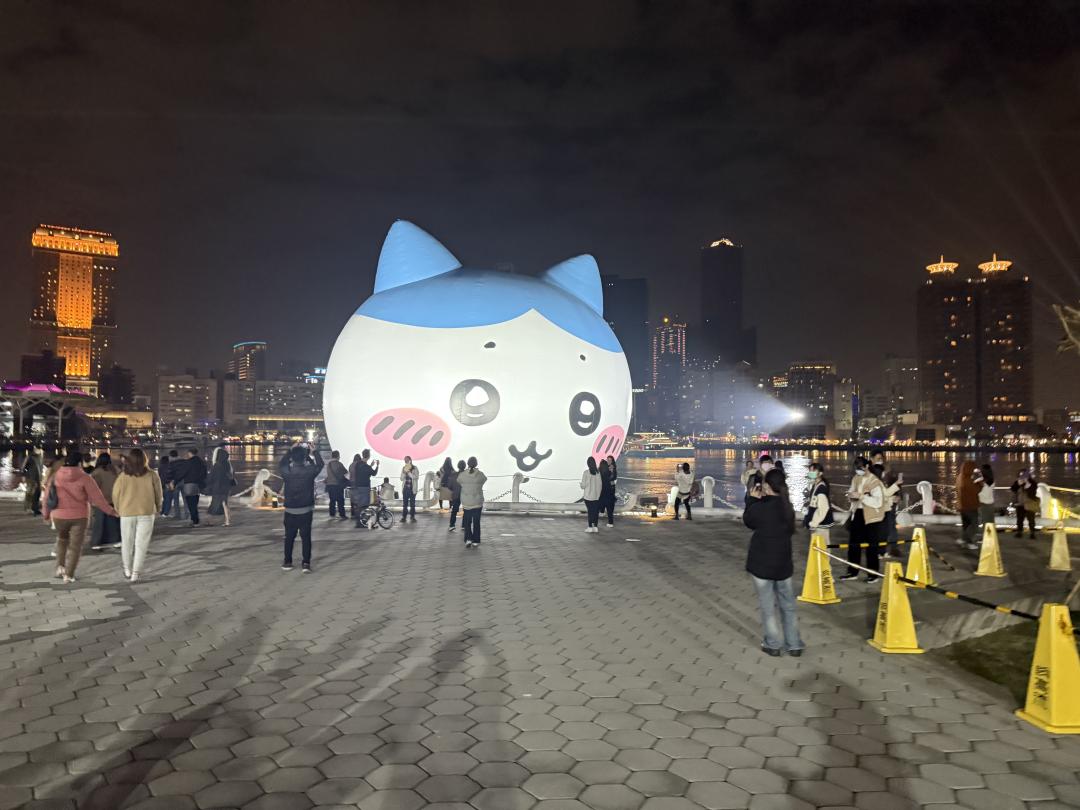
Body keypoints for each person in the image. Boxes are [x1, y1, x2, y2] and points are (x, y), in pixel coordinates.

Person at [744, 467, 804, 657]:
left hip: (762, 564)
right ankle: (794, 644)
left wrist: (752, 499)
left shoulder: (761, 507)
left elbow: (749, 520)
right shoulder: (787, 508)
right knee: (788, 605)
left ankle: (773, 644)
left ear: (767, 486)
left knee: (768, 607)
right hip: (783, 564)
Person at [42, 452, 117, 583]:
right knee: (75, 547)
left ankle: (60, 567)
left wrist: (46, 514)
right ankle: (69, 575)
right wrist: (112, 511)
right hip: (79, 517)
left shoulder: (55, 476)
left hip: (59, 516)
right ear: (79, 463)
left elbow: (47, 498)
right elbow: (98, 499)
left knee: (62, 540)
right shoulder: (85, 478)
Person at [113, 449, 163, 582]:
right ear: (144, 459)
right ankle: (136, 572)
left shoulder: (123, 476)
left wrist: (118, 508)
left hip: (126, 512)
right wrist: (158, 507)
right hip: (146, 512)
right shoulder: (152, 475)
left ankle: (127, 569)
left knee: (127, 542)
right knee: (142, 544)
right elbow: (158, 493)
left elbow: (115, 494)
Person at [279, 440, 324, 572]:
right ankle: (306, 563)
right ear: (304, 458)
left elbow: (282, 463)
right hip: (305, 510)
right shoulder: (309, 471)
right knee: (306, 538)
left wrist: (290, 450)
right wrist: (313, 452)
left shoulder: (287, 472)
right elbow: (320, 464)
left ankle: (287, 562)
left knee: (289, 537)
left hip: (290, 510)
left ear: (292, 458)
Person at [839, 457, 885, 583]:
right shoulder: (856, 478)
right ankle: (852, 571)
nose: (858, 470)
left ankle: (873, 574)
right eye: (856, 468)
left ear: (867, 466)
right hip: (858, 513)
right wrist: (850, 496)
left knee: (872, 547)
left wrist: (861, 497)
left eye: (860, 468)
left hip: (871, 516)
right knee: (853, 545)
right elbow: (851, 491)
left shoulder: (874, 481)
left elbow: (878, 502)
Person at [90, 453, 121, 550]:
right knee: (112, 522)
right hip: (113, 499)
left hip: (101, 500)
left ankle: (97, 542)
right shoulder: (115, 471)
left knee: (99, 523)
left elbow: (93, 488)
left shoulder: (97, 472)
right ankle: (114, 540)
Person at [458, 456, 487, 548]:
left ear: (467, 464)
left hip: (466, 502)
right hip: (477, 501)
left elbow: (459, 481)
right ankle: (476, 540)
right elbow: (484, 480)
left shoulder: (462, 475)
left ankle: (468, 539)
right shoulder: (480, 475)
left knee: (467, 522)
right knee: (476, 522)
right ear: (476, 464)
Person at [176, 448, 208, 527]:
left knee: (191, 503)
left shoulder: (188, 462)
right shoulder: (201, 462)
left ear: (190, 453)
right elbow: (205, 473)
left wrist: (175, 481)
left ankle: (195, 520)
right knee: (195, 503)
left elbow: (182, 473)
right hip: (198, 485)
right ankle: (195, 519)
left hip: (189, 484)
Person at [207, 448, 236, 527]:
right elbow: (231, 475)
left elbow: (211, 477)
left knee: (215, 504)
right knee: (225, 503)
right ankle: (227, 520)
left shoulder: (217, 465)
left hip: (218, 487)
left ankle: (211, 521)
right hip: (226, 487)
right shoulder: (228, 464)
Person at [955, 461, 980, 551]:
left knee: (966, 525)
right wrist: (979, 482)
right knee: (973, 525)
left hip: (962, 506)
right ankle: (969, 542)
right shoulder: (969, 480)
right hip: (970, 506)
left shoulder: (959, 477)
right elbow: (976, 491)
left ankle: (963, 540)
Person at [351, 450, 379, 526]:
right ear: (368, 456)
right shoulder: (366, 466)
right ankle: (361, 523)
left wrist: (370, 466)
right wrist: (377, 466)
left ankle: (359, 522)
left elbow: (364, 471)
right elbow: (374, 473)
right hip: (365, 487)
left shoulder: (358, 464)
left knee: (359, 505)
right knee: (364, 506)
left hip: (358, 487)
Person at [804, 462, 834, 530]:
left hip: (821, 524)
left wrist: (813, 523)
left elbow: (823, 508)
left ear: (820, 473)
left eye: (813, 471)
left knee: (820, 537)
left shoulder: (821, 488)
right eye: (810, 470)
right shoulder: (815, 485)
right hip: (818, 524)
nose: (810, 473)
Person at [1011, 469, 1039, 539]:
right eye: (1020, 476)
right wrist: (1018, 484)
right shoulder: (1018, 482)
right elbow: (1013, 489)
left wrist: (1027, 484)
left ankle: (1032, 533)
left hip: (1030, 504)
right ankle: (1019, 532)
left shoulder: (1032, 483)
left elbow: (1032, 493)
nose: (1022, 477)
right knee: (1019, 519)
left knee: (1031, 519)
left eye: (1023, 476)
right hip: (1020, 504)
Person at [882, 469, 904, 558]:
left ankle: (892, 549)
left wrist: (897, 497)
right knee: (888, 527)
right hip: (884, 505)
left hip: (889, 506)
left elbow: (897, 491)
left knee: (890, 527)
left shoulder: (888, 477)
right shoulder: (877, 477)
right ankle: (889, 549)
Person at [324, 450, 349, 520]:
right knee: (340, 500)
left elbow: (329, 475)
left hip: (330, 485)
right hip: (337, 485)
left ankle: (332, 514)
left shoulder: (329, 464)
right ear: (338, 456)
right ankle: (342, 514)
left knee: (332, 500)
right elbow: (346, 473)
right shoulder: (339, 464)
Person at [580, 457, 602, 532]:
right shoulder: (598, 473)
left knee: (590, 511)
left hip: (588, 496)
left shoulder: (586, 473)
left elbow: (583, 486)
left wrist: (581, 484)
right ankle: (595, 527)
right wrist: (598, 495)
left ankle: (590, 527)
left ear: (588, 464)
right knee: (595, 512)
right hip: (596, 496)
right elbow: (600, 485)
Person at [21, 448, 43, 516]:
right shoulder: (30, 457)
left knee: (37, 494)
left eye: (40, 449)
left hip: (38, 479)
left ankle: (35, 508)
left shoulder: (40, 457)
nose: (39, 450)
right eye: (38, 449)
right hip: (31, 478)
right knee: (29, 494)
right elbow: (23, 468)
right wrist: (24, 476)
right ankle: (27, 508)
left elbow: (40, 469)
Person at [977, 463, 996, 532]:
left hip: (983, 503)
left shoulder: (981, 481)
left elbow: (980, 492)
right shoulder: (992, 480)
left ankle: (986, 536)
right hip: (990, 503)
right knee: (990, 521)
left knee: (985, 521)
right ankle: (990, 535)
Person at [448, 459, 465, 532]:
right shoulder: (467, 475)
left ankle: (452, 525)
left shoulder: (454, 475)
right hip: (465, 495)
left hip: (456, 494)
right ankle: (464, 525)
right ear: (464, 466)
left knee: (454, 511)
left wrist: (454, 489)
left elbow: (449, 486)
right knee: (466, 510)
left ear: (458, 466)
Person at [400, 456, 419, 522]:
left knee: (412, 504)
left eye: (407, 460)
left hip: (412, 489)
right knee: (405, 504)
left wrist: (408, 472)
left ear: (410, 460)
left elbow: (416, 477)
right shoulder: (404, 468)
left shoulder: (415, 468)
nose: (405, 461)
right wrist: (404, 473)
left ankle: (412, 517)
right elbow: (401, 478)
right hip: (405, 489)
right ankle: (404, 517)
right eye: (405, 460)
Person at [598, 458, 616, 528]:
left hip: (602, 492)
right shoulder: (609, 472)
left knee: (598, 507)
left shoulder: (599, 473)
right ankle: (610, 523)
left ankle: (594, 524)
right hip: (609, 492)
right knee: (609, 509)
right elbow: (612, 480)